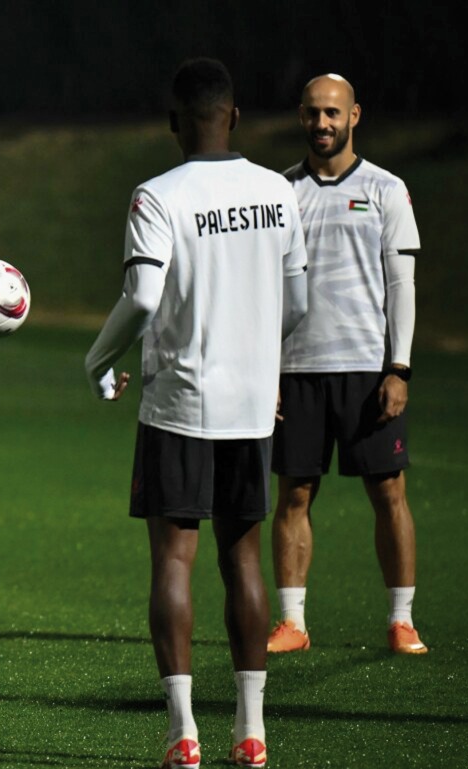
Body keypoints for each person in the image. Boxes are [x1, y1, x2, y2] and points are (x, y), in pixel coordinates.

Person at [84, 59, 308, 769]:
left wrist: (97, 359)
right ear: (235, 116)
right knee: (243, 559)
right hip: (250, 406)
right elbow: (297, 304)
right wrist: (262, 366)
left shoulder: (157, 195)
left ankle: (183, 733)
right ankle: (251, 731)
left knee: (173, 560)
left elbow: (144, 300)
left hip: (179, 402)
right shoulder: (278, 192)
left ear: (173, 121)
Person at [266, 74, 426, 656]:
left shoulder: (386, 188)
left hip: (366, 368)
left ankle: (401, 619)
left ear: (355, 115)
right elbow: (265, 288)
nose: (322, 124)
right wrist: (267, 369)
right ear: (301, 116)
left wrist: (399, 368)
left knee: (388, 493)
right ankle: (292, 623)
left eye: (333, 113)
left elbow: (401, 283)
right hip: (296, 368)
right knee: (294, 494)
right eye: (312, 114)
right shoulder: (279, 192)